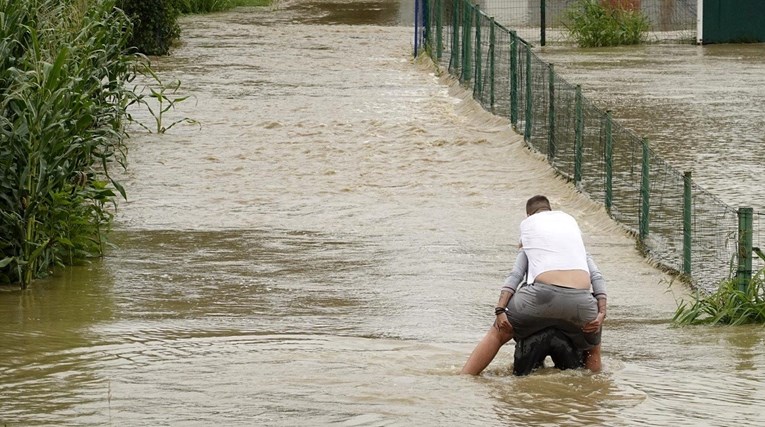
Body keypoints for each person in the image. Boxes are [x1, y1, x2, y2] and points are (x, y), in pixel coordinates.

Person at [460, 195, 607, 375]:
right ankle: (595, 386)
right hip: (580, 304)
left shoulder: (531, 233)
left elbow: (515, 275)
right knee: (593, 346)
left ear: (529, 217)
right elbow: (597, 277)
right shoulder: (576, 243)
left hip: (538, 299)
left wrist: (500, 310)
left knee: (497, 333)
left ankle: (465, 376)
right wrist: (601, 314)